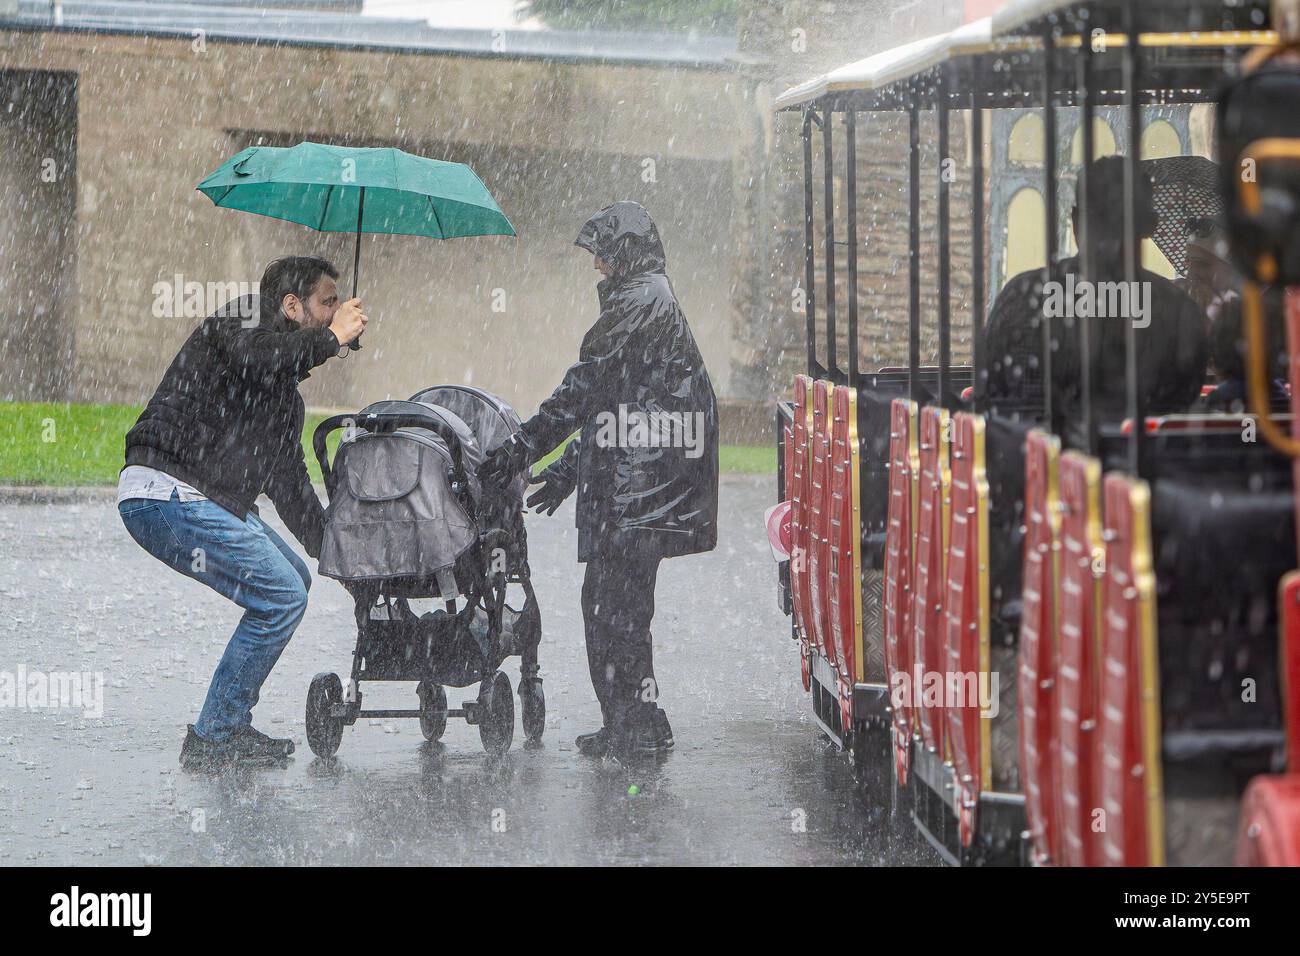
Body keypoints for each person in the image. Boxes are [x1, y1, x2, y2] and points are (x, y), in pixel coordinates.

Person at [478, 201, 719, 760]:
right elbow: (621, 402)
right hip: (643, 484)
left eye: (602, 255)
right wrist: (566, 470)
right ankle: (633, 720)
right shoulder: (649, 298)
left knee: (615, 606)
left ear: (625, 253)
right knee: (618, 606)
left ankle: (636, 725)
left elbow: (585, 389)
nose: (596, 268)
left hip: (642, 489)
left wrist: (521, 449)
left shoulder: (640, 301)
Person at [118, 256, 367, 770]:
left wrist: (346, 565)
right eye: (327, 302)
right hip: (167, 490)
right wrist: (331, 339)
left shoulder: (283, 400)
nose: (337, 312)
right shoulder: (245, 318)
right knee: (280, 594)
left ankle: (229, 724)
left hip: (200, 497)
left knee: (294, 578)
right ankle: (214, 735)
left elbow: (292, 491)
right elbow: (261, 358)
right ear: (291, 305)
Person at [980, 155, 1208, 444]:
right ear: (1149, 225)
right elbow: (1180, 421)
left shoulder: (1019, 299)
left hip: (1035, 476)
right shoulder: (1179, 314)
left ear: (1076, 221)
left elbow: (989, 407)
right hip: (1145, 479)